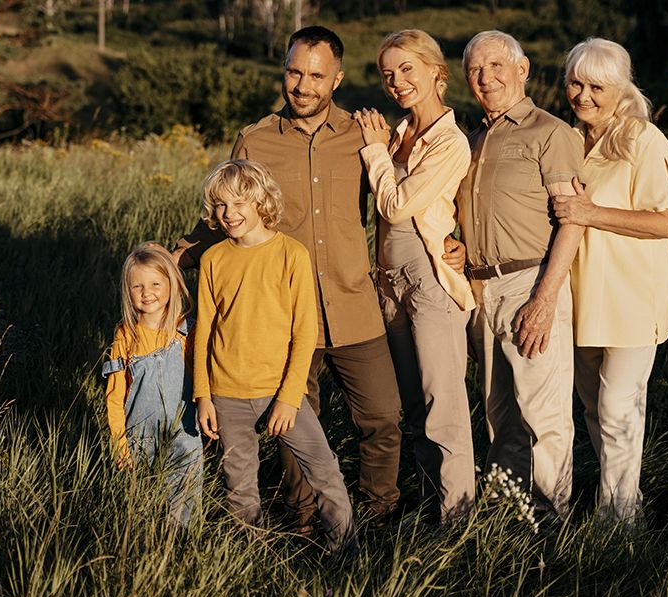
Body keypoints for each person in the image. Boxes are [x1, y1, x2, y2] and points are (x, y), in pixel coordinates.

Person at [176, 26, 467, 529]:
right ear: (284, 72)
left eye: (316, 75)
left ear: (338, 78)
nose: (303, 85)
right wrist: (173, 257)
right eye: (294, 72)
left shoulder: (365, 134)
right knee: (290, 425)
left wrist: (456, 240)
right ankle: (305, 518)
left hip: (355, 305)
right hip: (282, 317)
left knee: (381, 417)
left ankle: (379, 513)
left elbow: (414, 197)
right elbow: (226, 212)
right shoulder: (256, 138)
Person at [554, 37, 668, 525]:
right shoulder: (567, 139)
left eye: (596, 86)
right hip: (582, 297)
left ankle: (620, 519)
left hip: (633, 298)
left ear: (620, 89)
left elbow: (666, 221)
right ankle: (616, 503)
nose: (583, 95)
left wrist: (591, 212)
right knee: (594, 409)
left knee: (616, 407)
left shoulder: (642, 139)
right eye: (575, 82)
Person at [193, 159, 355, 551]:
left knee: (324, 471)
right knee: (240, 483)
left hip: (282, 391)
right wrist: (203, 396)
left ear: (261, 201)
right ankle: (250, 554)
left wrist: (287, 398)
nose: (228, 214)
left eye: (238, 204)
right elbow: (203, 332)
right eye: (220, 206)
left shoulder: (291, 254)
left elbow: (305, 334)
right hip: (226, 395)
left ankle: (343, 549)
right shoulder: (213, 259)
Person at [457, 30, 584, 519]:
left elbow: (571, 220)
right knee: (500, 413)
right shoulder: (471, 140)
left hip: (531, 283)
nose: (486, 78)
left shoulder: (550, 133)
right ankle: (510, 516)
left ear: (523, 69)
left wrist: (545, 298)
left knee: (544, 415)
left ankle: (551, 521)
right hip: (481, 288)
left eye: (495, 66)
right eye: (475, 70)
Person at [352, 30, 476, 522]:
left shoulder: (451, 142)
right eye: (388, 74)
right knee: (414, 408)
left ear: (435, 72)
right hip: (389, 281)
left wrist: (376, 151)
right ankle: (430, 506)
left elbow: (397, 204)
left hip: (429, 279)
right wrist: (383, 146)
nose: (397, 81)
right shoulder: (400, 134)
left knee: (442, 405)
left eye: (407, 69)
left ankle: (458, 520)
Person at [101, 243, 204, 527]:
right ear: (127, 291)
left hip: (185, 434)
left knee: (183, 510)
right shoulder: (125, 335)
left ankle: (179, 550)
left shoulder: (187, 330)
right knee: (141, 509)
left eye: (156, 283)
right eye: (138, 286)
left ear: (172, 284)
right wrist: (120, 446)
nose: (147, 293)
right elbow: (114, 396)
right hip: (139, 440)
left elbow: (204, 380)